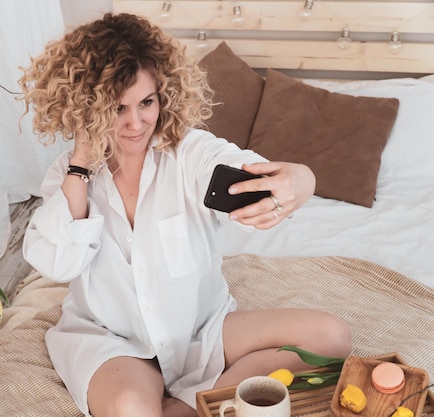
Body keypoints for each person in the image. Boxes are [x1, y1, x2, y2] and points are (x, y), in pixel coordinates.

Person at [20, 12, 351, 417]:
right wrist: (81, 164)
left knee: (331, 338)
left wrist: (302, 179)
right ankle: (202, 403)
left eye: (146, 102)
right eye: (117, 108)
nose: (136, 123)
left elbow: (245, 170)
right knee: (131, 408)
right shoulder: (67, 176)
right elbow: (58, 263)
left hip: (201, 334)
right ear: (89, 109)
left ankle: (200, 405)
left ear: (163, 94)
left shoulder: (189, 153)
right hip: (112, 340)